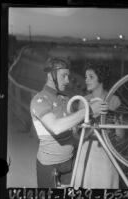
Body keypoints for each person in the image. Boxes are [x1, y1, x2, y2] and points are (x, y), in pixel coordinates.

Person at [30, 57, 107, 188]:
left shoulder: (65, 99)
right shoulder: (39, 100)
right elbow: (56, 127)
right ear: (50, 75)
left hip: (70, 163)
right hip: (49, 166)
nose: (67, 81)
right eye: (64, 76)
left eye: (68, 76)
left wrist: (89, 121)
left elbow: (73, 131)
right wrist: (87, 111)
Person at [74, 62, 124, 189]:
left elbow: (120, 136)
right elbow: (78, 134)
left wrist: (111, 116)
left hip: (106, 153)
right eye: (85, 77)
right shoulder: (83, 101)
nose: (86, 80)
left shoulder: (114, 100)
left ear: (101, 78)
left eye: (91, 77)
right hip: (86, 152)